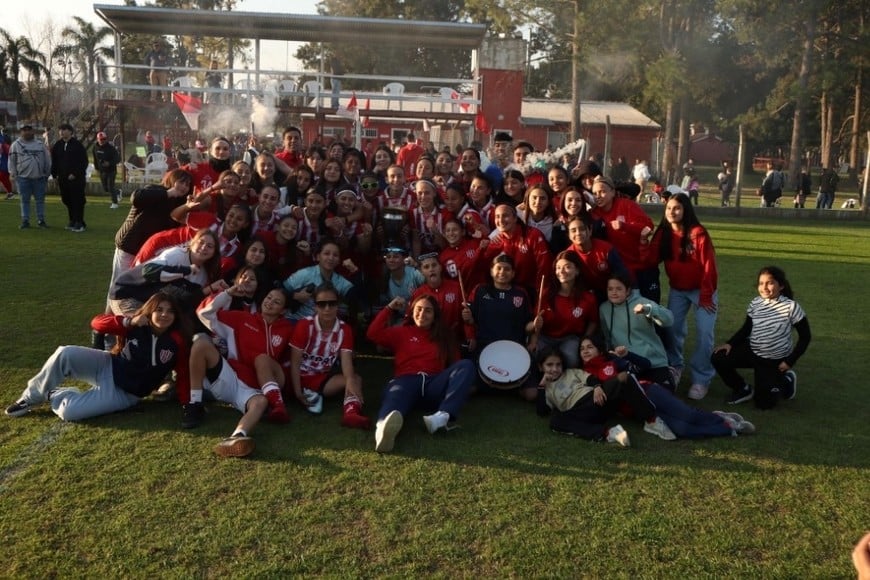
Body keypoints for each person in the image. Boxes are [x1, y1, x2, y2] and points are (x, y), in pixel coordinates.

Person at [5, 292, 190, 422]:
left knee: (69, 412)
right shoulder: (135, 324)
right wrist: (128, 321)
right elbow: (97, 322)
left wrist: (188, 404)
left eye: (170, 311)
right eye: (160, 309)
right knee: (65, 353)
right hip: (108, 365)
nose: (165, 314)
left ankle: (54, 393)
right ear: (150, 311)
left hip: (124, 393)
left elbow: (182, 373)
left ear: (176, 316)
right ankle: (29, 398)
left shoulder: (176, 341)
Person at [578, 335, 753, 438]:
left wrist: (628, 355)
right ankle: (728, 427)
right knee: (681, 429)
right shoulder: (582, 374)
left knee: (688, 415)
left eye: (590, 347)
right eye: (582, 349)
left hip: (648, 392)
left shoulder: (611, 361)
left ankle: (720, 419)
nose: (585, 351)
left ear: (599, 350)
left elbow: (644, 365)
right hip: (638, 412)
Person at [186, 287, 292, 457]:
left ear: (283, 310)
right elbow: (204, 314)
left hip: (256, 387)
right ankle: (194, 404)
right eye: (269, 297)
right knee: (200, 344)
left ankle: (237, 436)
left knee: (259, 403)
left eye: (276, 302)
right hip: (232, 376)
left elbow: (290, 359)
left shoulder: (287, 328)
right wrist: (228, 293)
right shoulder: (242, 318)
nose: (270, 302)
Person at [367, 294, 476, 453]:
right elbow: (372, 334)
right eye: (418, 310)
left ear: (435, 316)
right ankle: (383, 430)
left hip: (433, 385)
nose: (422, 314)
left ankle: (441, 417)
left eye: (428, 311)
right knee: (395, 393)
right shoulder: (401, 332)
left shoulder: (444, 337)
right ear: (412, 312)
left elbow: (456, 367)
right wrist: (389, 308)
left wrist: (460, 386)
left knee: (466, 365)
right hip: (406, 382)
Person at [645, 194, 718, 399]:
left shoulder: (698, 234)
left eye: (677, 208)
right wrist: (643, 241)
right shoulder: (664, 233)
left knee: (705, 334)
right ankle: (675, 366)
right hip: (678, 290)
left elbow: (709, 267)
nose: (672, 212)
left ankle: (701, 378)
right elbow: (650, 259)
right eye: (668, 208)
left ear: (686, 210)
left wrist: (705, 295)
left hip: (703, 290)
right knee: (672, 329)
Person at [711, 266, 811, 409]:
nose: (764, 287)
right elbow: (747, 328)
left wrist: (790, 361)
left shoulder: (791, 307)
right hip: (753, 351)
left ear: (781, 285)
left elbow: (805, 337)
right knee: (718, 357)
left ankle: (786, 380)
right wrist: (730, 344)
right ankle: (743, 389)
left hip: (773, 361)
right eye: (761, 283)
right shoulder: (755, 303)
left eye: (769, 283)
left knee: (764, 405)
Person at [535, 346, 674, 445]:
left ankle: (651, 419)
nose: (554, 369)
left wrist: (596, 387)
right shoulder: (546, 389)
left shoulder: (571, 372)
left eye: (558, 364)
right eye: (549, 365)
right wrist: (542, 386)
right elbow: (542, 411)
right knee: (555, 422)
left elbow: (589, 378)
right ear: (541, 367)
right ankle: (609, 433)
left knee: (624, 377)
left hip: (597, 399)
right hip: (579, 412)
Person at [288, 284, 370, 429]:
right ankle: (306, 393)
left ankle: (351, 413)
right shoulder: (304, 325)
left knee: (355, 379)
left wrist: (350, 383)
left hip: (321, 377)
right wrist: (297, 392)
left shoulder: (344, 329)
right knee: (352, 380)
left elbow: (346, 362)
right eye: (321, 304)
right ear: (315, 307)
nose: (327, 309)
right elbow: (295, 362)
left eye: (332, 304)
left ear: (338, 306)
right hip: (298, 376)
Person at [462, 253, 536, 400]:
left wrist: (534, 326)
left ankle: (504, 387)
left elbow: (528, 325)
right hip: (485, 346)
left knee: (532, 394)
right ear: (491, 271)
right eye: (499, 268)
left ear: (513, 273)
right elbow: (470, 321)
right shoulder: (480, 290)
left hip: (515, 348)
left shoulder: (520, 293)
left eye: (507, 269)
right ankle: (499, 387)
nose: (502, 272)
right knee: (467, 389)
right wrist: (468, 319)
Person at [598, 272, 676, 391]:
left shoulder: (641, 302)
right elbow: (606, 335)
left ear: (628, 290)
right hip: (627, 364)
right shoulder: (604, 309)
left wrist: (648, 310)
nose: (614, 292)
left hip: (653, 361)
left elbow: (669, 319)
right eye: (610, 289)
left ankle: (668, 373)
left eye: (619, 289)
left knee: (662, 396)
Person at [590, 175, 659, 302]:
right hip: (618, 271)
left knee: (647, 310)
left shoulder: (627, 205)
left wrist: (625, 226)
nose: (598, 196)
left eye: (602, 191)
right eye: (594, 193)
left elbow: (648, 227)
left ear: (612, 192)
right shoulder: (594, 213)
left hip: (640, 268)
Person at [531, 250, 599, 369]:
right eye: (558, 268)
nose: (561, 271)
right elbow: (536, 325)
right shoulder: (545, 294)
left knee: (572, 360)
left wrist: (584, 340)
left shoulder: (588, 298)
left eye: (567, 267)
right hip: (545, 337)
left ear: (577, 270)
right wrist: (533, 340)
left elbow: (593, 321)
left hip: (570, 338)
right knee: (535, 357)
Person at [9, 124, 51, 229]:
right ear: (21, 132)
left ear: (33, 131)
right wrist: (13, 173)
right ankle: (25, 221)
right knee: (24, 200)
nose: (27, 132)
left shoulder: (40, 144)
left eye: (29, 130)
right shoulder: (15, 145)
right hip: (23, 178)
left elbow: (47, 160)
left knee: (40, 200)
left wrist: (47, 173)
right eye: (24, 130)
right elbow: (12, 161)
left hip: (39, 178)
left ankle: (41, 220)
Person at [50, 123, 89, 232]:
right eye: (61, 130)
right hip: (62, 178)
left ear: (70, 132)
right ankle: (72, 220)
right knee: (66, 199)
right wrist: (54, 174)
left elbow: (83, 162)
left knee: (77, 200)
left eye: (65, 130)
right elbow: (55, 161)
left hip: (76, 179)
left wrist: (75, 173)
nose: (62, 132)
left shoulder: (77, 145)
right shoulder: (58, 145)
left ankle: (79, 222)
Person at [93, 131, 121, 208]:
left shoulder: (111, 148)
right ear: (98, 139)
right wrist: (96, 168)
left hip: (111, 170)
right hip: (102, 171)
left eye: (104, 139)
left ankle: (114, 203)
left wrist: (109, 163)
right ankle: (118, 192)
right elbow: (95, 159)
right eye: (101, 139)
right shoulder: (95, 147)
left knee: (110, 186)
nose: (103, 141)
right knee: (106, 189)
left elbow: (118, 158)